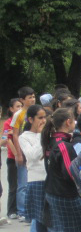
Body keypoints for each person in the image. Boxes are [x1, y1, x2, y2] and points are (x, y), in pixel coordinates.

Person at [19, 105, 53, 232]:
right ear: (30, 119)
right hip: (36, 179)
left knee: (54, 213)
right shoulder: (24, 137)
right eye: (39, 118)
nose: (43, 120)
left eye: (44, 117)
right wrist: (43, 137)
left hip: (52, 178)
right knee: (40, 216)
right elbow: (32, 157)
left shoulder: (49, 134)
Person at [10, 86, 37, 223]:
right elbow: (15, 135)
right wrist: (18, 154)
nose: (32, 99)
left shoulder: (37, 112)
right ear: (22, 100)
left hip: (35, 151)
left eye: (33, 97)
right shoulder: (18, 114)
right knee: (22, 183)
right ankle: (22, 211)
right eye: (29, 97)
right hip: (23, 151)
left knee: (33, 182)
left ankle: (31, 210)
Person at [3, 98, 22, 219]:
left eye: (21, 106)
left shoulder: (24, 122)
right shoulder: (8, 123)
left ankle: (22, 209)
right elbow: (6, 139)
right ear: (11, 109)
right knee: (13, 185)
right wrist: (16, 154)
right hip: (12, 157)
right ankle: (11, 210)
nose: (19, 109)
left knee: (23, 185)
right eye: (17, 107)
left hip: (24, 158)